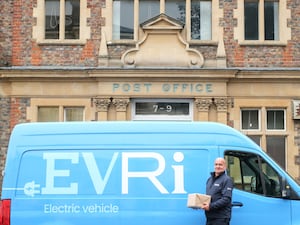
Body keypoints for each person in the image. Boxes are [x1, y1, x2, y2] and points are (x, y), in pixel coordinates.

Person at [201, 158, 233, 225]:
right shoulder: (209, 180)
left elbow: (226, 199)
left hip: (220, 218)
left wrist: (210, 206)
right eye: (216, 164)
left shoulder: (227, 180)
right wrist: (199, 204)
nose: (218, 166)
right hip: (210, 217)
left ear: (225, 167)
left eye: (220, 165)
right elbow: (209, 197)